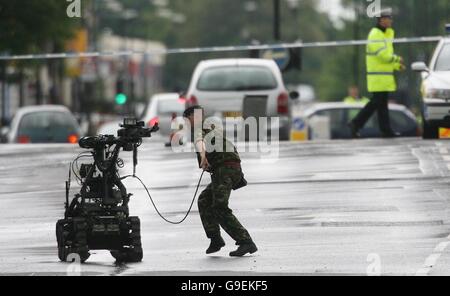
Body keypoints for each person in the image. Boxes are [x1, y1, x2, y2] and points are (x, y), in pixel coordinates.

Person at [183, 105, 258, 257]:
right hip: (230, 169)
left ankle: (246, 241)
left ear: (192, 117)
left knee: (219, 207)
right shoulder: (211, 126)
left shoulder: (199, 128)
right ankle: (215, 239)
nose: (187, 124)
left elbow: (200, 142)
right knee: (204, 200)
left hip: (225, 170)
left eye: (186, 120)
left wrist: (203, 157)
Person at [348, 8, 405, 138]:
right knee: (376, 103)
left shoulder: (386, 34)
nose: (390, 21)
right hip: (378, 76)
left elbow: (387, 55)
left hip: (384, 76)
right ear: (381, 20)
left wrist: (397, 65)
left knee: (381, 105)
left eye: (390, 18)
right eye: (388, 18)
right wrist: (397, 59)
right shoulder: (375, 34)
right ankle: (356, 123)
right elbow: (382, 55)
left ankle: (384, 130)